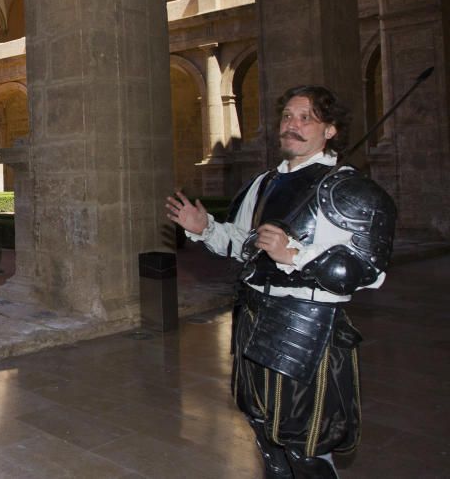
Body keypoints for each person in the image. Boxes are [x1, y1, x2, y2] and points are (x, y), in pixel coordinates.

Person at [166, 85, 396, 479]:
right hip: (252, 319)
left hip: (307, 325)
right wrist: (205, 229)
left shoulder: (348, 188)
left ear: (331, 130)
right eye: (288, 116)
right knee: (262, 428)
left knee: (304, 443)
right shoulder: (265, 183)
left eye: (307, 118)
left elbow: (365, 270)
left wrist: (295, 255)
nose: (293, 125)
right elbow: (244, 248)